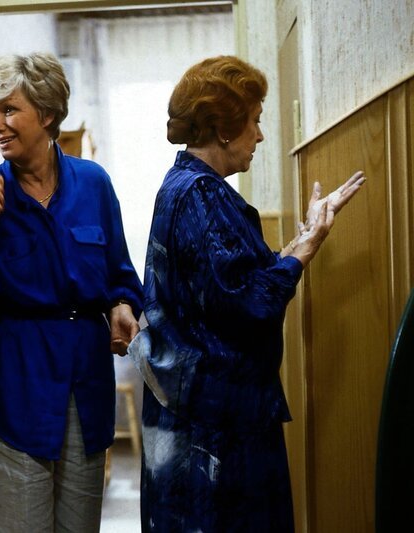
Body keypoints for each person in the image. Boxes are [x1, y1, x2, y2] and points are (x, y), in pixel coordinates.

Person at [132, 55, 365, 532]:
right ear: (224, 127)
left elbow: (229, 284)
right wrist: (307, 247)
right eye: (254, 121)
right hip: (217, 428)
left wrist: (299, 242)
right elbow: (248, 304)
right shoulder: (199, 193)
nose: (259, 136)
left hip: (205, 416)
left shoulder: (189, 188)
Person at [0, 52, 143, 532]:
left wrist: (121, 305)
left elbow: (121, 273)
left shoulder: (94, 184)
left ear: (48, 113)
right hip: (13, 385)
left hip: (86, 382)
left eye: (8, 110)